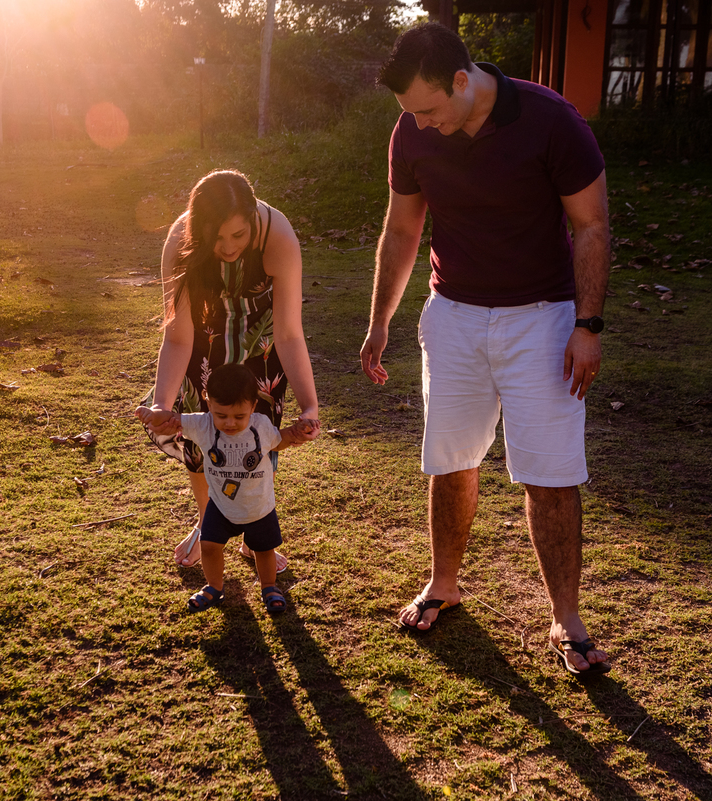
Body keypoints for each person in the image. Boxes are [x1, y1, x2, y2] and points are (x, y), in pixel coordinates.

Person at [360, 23, 612, 677]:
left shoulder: (552, 121)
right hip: (455, 316)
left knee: (550, 473)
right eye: (410, 113)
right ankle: (443, 583)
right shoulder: (412, 131)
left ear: (464, 81)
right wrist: (380, 318)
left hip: (545, 318)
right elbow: (402, 225)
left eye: (429, 108)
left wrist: (588, 324)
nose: (420, 123)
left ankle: (566, 617)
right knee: (450, 458)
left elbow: (591, 225)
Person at [141, 169, 321, 572]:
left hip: (260, 337)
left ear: (253, 221)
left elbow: (290, 333)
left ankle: (255, 531)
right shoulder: (180, 242)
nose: (226, 247)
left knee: (254, 440)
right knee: (202, 439)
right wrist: (162, 405)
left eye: (237, 236)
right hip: (202, 337)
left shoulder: (277, 236)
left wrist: (309, 406)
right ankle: (210, 522)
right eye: (215, 237)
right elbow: (176, 338)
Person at [137, 364, 314, 612]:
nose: (230, 423)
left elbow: (278, 441)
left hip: (258, 507)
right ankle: (214, 587)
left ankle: (269, 587)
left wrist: (296, 431)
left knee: (264, 551)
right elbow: (173, 420)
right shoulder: (202, 424)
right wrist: (155, 415)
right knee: (209, 546)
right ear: (208, 403)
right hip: (220, 505)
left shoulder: (261, 425)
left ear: (253, 406)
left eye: (239, 416)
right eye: (221, 415)